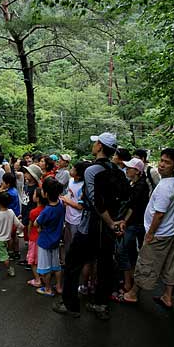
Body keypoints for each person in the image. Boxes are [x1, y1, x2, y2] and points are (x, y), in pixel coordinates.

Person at [53, 132, 127, 320]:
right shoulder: (117, 170)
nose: (93, 146)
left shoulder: (91, 170)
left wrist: (109, 222)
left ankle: (71, 306)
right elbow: (126, 197)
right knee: (105, 266)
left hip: (91, 226)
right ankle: (101, 305)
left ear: (100, 147)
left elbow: (94, 200)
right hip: (109, 230)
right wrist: (118, 221)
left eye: (96, 143)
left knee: (72, 263)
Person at [123, 148, 174, 308]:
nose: (162, 165)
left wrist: (150, 234)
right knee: (170, 263)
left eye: (167, 162)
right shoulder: (173, 180)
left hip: (159, 234)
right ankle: (167, 297)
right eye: (162, 160)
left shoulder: (165, 187)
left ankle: (133, 293)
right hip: (171, 231)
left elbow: (159, 215)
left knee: (146, 263)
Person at [114, 157, 149, 298]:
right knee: (130, 251)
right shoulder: (133, 183)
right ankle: (131, 278)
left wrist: (124, 221)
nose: (127, 169)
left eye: (130, 168)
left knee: (122, 251)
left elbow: (133, 207)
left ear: (138, 171)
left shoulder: (141, 186)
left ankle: (128, 284)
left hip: (134, 223)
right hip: (133, 223)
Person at [34, 177, 65, 297]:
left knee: (45, 268)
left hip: (45, 241)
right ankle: (59, 286)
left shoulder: (47, 210)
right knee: (56, 266)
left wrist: (39, 225)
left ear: (46, 194)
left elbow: (37, 223)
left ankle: (47, 289)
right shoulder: (61, 204)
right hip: (56, 240)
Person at [0, 191, 24, 279]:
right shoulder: (11, 212)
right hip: (7, 238)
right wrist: (22, 227)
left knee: (4, 257)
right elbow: (17, 223)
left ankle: (9, 269)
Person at [18, 164, 43, 265]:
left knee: (31, 237)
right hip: (25, 214)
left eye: (27, 173)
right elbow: (25, 201)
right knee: (27, 238)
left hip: (31, 216)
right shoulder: (27, 185)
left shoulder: (36, 189)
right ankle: (30, 257)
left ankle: (32, 260)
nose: (25, 174)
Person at [0, 172, 21, 260]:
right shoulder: (14, 190)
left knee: (10, 236)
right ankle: (17, 251)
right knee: (14, 235)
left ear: (8, 183)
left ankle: (10, 252)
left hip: (10, 217)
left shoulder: (9, 194)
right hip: (16, 215)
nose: (2, 183)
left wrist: (1, 189)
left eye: (3, 182)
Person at [26, 187, 47, 288]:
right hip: (43, 239)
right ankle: (42, 277)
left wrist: (29, 235)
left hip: (34, 239)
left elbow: (30, 226)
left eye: (34, 194)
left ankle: (37, 280)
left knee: (33, 261)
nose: (32, 195)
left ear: (38, 198)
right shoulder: (47, 210)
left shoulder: (33, 212)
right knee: (41, 259)